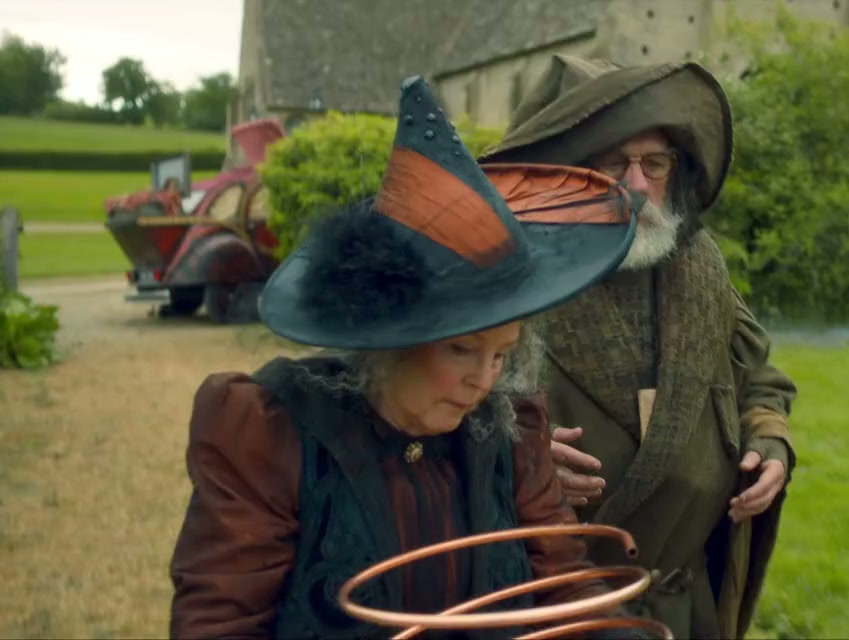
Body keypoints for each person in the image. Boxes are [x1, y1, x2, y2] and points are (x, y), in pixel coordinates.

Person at [168, 76, 651, 639]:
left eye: (503, 353)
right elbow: (220, 622)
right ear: (392, 341)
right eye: (462, 349)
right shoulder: (271, 434)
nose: (484, 378)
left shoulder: (511, 430)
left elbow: (566, 588)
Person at [479, 55, 799, 639]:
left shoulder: (700, 265)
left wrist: (769, 440)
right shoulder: (504, 279)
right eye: (613, 163)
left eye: (654, 163)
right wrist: (512, 459)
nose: (636, 186)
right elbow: (432, 415)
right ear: (568, 171)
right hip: (557, 608)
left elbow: (758, 379)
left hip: (685, 606)